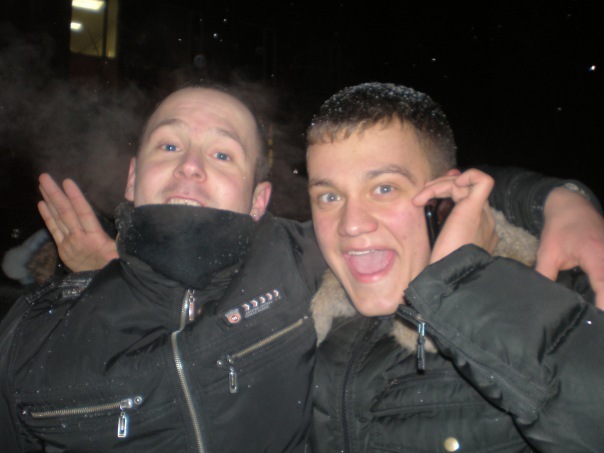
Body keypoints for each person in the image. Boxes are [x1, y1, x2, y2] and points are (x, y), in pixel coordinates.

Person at [0, 83, 602, 452]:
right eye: (328, 196)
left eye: (221, 153)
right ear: (133, 177)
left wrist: (560, 201)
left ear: (259, 200)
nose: (352, 223)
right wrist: (103, 282)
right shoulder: (31, 337)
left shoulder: (296, 266)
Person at [305, 82, 603, 452]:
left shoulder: (562, 296)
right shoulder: (305, 299)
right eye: (329, 196)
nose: (351, 224)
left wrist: (463, 282)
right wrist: (555, 197)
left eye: (384, 188)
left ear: (443, 198)